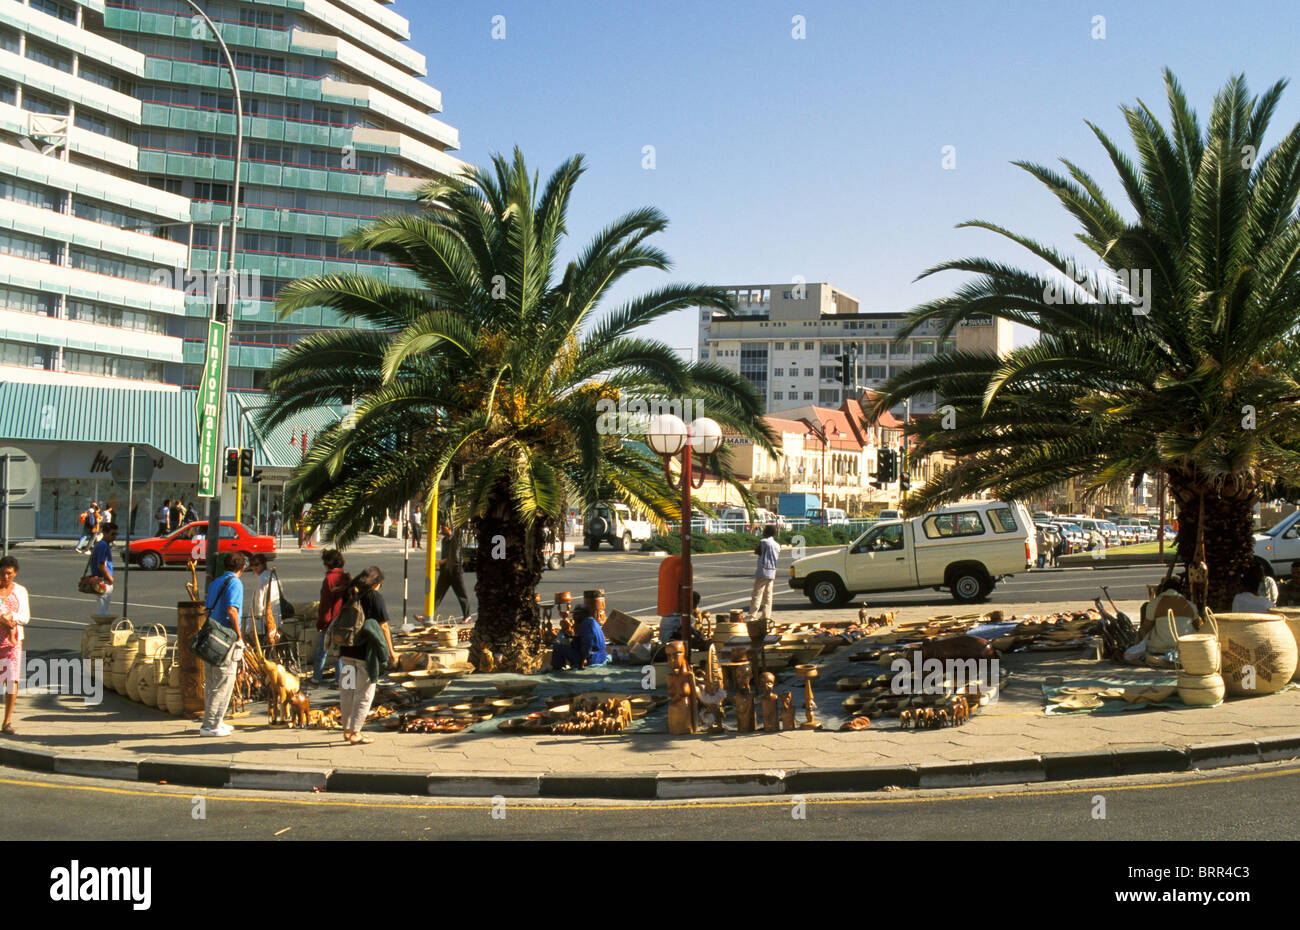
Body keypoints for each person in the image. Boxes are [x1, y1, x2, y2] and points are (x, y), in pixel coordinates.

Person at [336, 566, 396, 744]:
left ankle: (346, 730)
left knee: (347, 691)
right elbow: (384, 627)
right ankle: (355, 733)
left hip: (346, 652)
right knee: (364, 694)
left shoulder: (349, 593)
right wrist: (392, 652)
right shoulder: (374, 597)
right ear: (377, 583)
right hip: (365, 657)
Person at [199, 552, 246, 736]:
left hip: (210, 636)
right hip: (225, 638)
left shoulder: (215, 583)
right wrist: (239, 637)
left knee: (211, 681)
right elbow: (232, 610)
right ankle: (211, 725)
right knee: (224, 681)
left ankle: (215, 720)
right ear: (242, 568)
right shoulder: (235, 583)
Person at [0, 556, 31, 735]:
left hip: (12, 642)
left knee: (12, 680)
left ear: (15, 573)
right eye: (2, 573)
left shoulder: (20, 591)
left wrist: (10, 618)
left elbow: (25, 617)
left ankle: (7, 721)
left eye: (9, 573)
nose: (5, 577)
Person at [312, 548, 349, 683]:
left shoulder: (329, 579)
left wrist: (321, 623)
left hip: (331, 621)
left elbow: (326, 606)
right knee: (339, 652)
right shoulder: (344, 577)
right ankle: (340, 680)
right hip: (343, 619)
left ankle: (317, 677)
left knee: (322, 650)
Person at [550, 604, 608, 670]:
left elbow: (588, 644)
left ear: (583, 614)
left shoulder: (586, 624)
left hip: (592, 658)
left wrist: (582, 661)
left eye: (576, 614)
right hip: (600, 656)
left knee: (558, 647)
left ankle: (556, 670)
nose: (574, 617)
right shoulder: (593, 621)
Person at [434, 523, 470, 621]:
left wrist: (439, 562)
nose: (441, 529)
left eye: (443, 527)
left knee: (461, 594)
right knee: (438, 593)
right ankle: (429, 614)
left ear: (449, 528)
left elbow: (454, 556)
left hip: (455, 569)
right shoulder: (444, 540)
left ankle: (467, 616)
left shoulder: (456, 540)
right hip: (445, 570)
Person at [244, 554, 282, 645]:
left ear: (263, 564)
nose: (254, 567)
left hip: (264, 620)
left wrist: (256, 619)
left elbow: (259, 602)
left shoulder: (262, 579)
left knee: (261, 645)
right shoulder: (271, 575)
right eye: (252, 565)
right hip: (275, 615)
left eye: (257, 564)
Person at [748, 525, 780, 622]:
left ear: (766, 532)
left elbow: (757, 551)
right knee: (768, 595)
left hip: (763, 570)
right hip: (772, 570)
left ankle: (752, 615)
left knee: (757, 594)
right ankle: (766, 615)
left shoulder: (764, 542)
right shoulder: (777, 545)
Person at [89, 523, 117, 615]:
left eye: (116, 534)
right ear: (105, 533)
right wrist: (109, 578)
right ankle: (101, 627)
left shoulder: (102, 545)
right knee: (103, 610)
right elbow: (100, 564)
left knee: (103, 607)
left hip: (101, 579)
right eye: (112, 534)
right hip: (102, 580)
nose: (115, 537)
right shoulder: (103, 546)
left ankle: (101, 626)